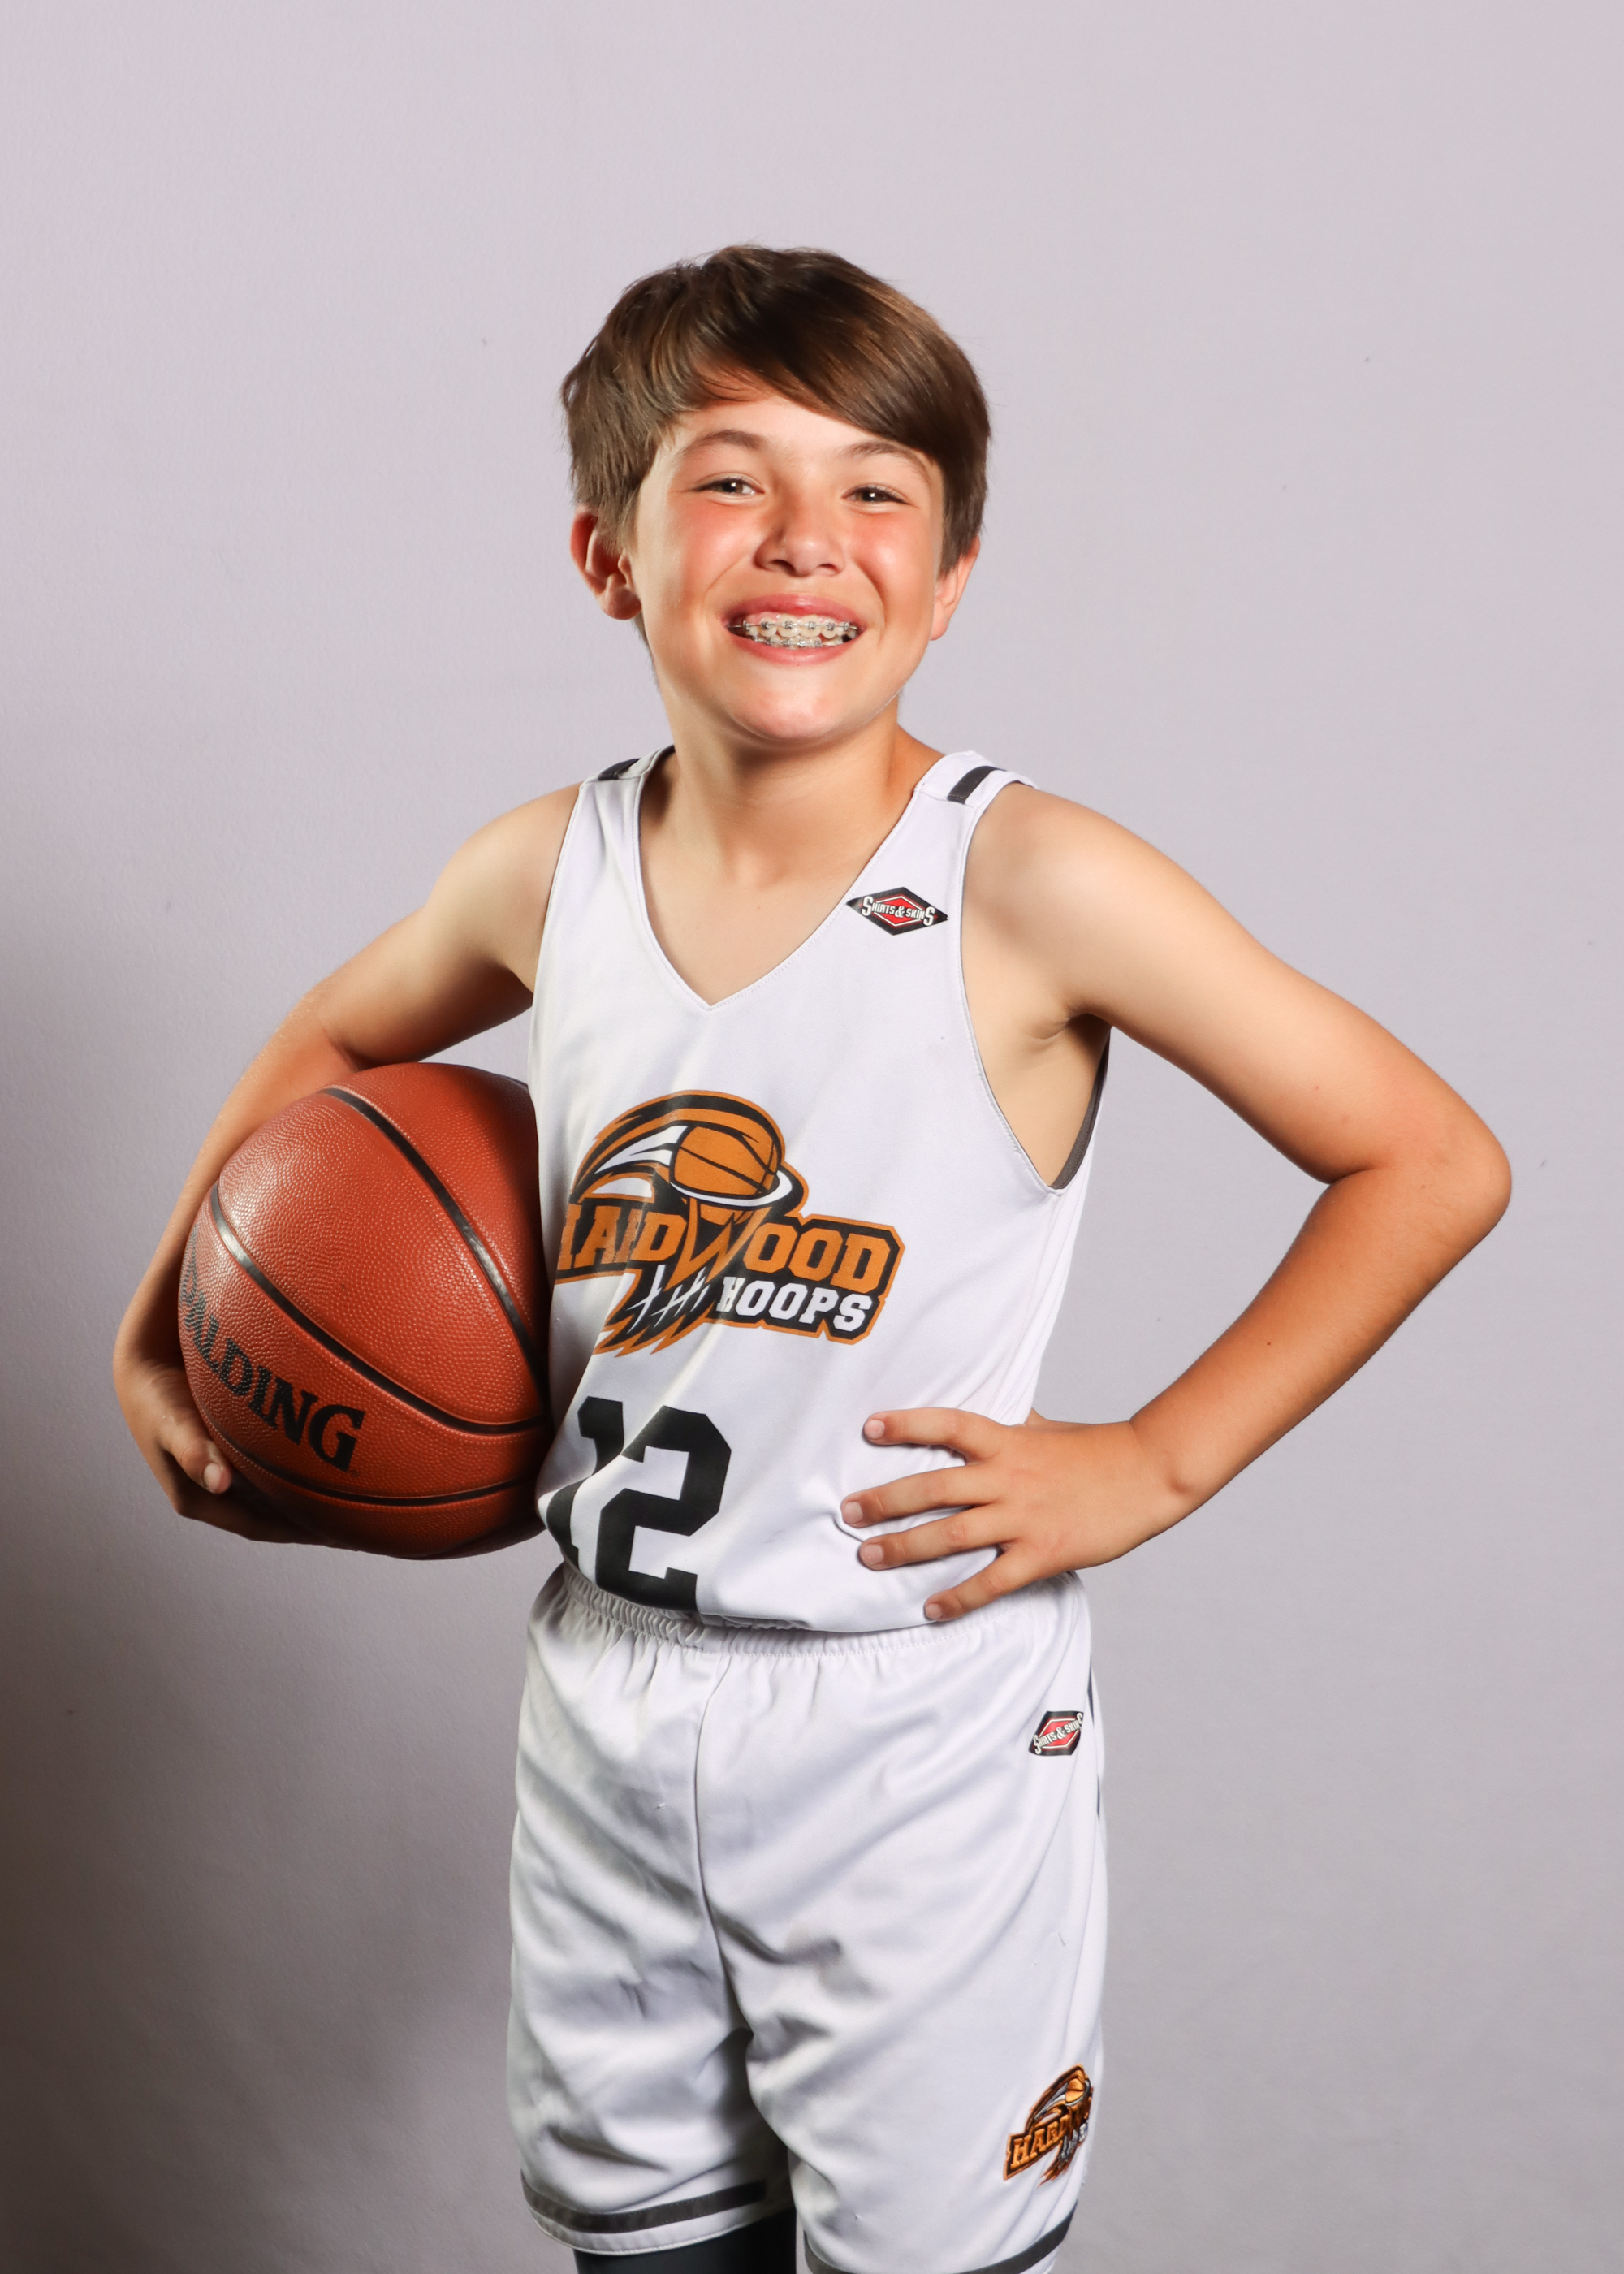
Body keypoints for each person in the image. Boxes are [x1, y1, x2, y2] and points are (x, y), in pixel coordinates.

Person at [113, 246, 1510, 2274]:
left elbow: (1427, 1156)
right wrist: (159, 1324)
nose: (803, 536)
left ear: (948, 581)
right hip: (610, 1687)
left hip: (908, 1718)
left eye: (874, 489)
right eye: (727, 478)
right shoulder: (547, 869)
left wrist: (1155, 1458)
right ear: (606, 555)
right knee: (646, 2246)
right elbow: (332, 1043)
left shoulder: (1025, 879)